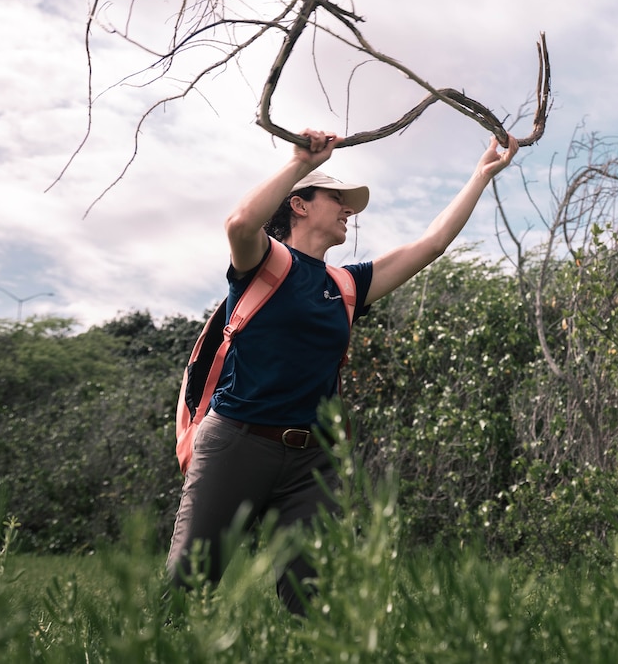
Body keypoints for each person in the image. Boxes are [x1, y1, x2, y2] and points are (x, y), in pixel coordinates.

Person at [166, 128, 519, 615]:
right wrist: (299, 163)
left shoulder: (347, 286)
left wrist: (481, 176)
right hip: (238, 443)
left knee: (318, 603)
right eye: (336, 198)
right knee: (189, 586)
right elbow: (241, 223)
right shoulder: (266, 262)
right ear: (300, 205)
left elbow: (432, 243)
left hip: (315, 462)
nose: (348, 210)